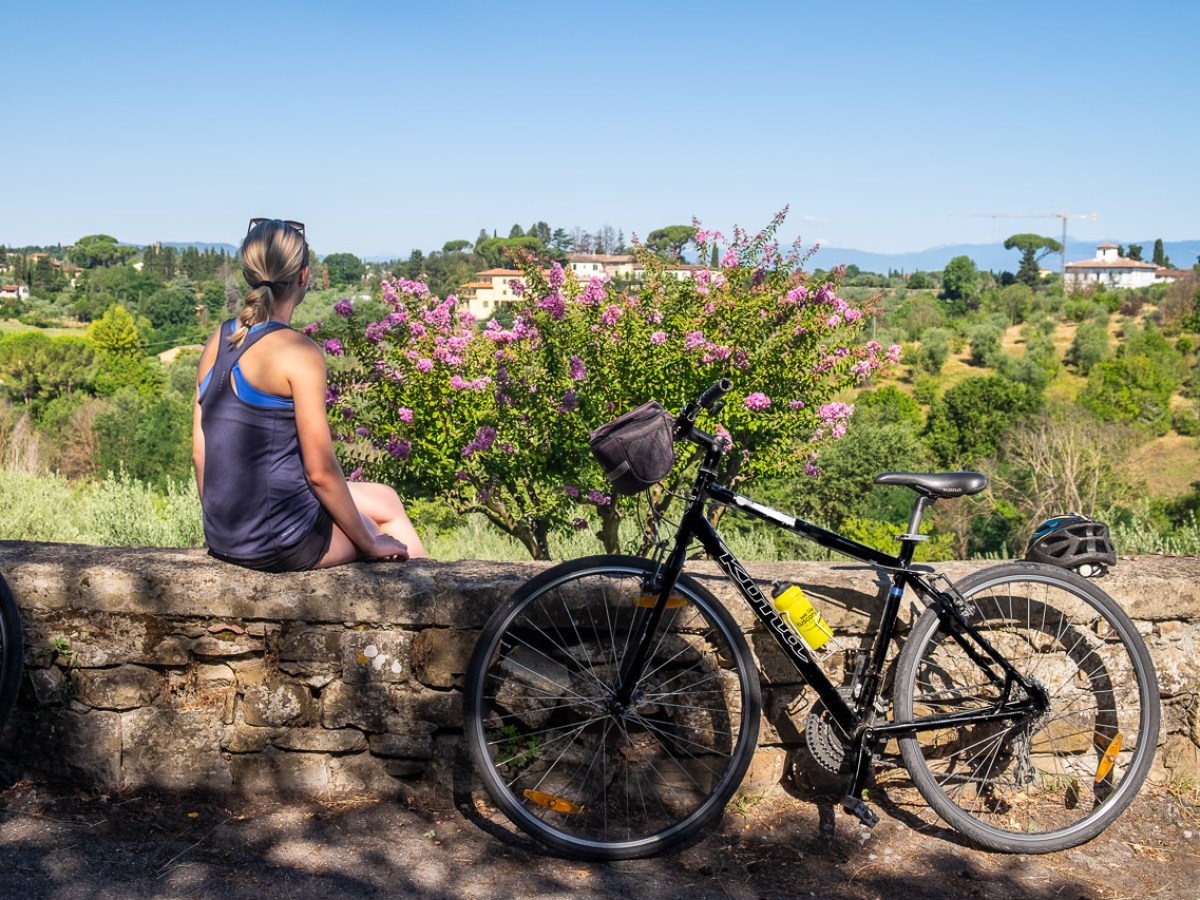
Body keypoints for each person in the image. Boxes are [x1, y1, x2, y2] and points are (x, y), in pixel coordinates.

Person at [192, 218, 426, 571]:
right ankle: (424, 604)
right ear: (303, 277)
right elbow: (320, 472)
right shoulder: (300, 353)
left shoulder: (219, 338)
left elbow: (200, 452)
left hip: (224, 534)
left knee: (386, 499)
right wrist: (369, 542)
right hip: (279, 541)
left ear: (249, 275)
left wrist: (223, 531)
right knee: (386, 527)